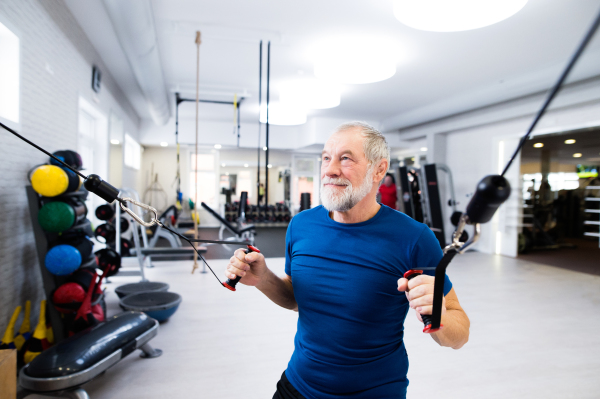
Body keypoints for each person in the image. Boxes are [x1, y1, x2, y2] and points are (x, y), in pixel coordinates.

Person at [226, 122, 470, 399]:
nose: (330, 169)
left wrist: (436, 312)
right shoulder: (301, 225)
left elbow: (459, 334)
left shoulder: (414, 238)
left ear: (379, 169)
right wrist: (263, 279)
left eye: (345, 158)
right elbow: (296, 299)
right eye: (326, 158)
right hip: (297, 384)